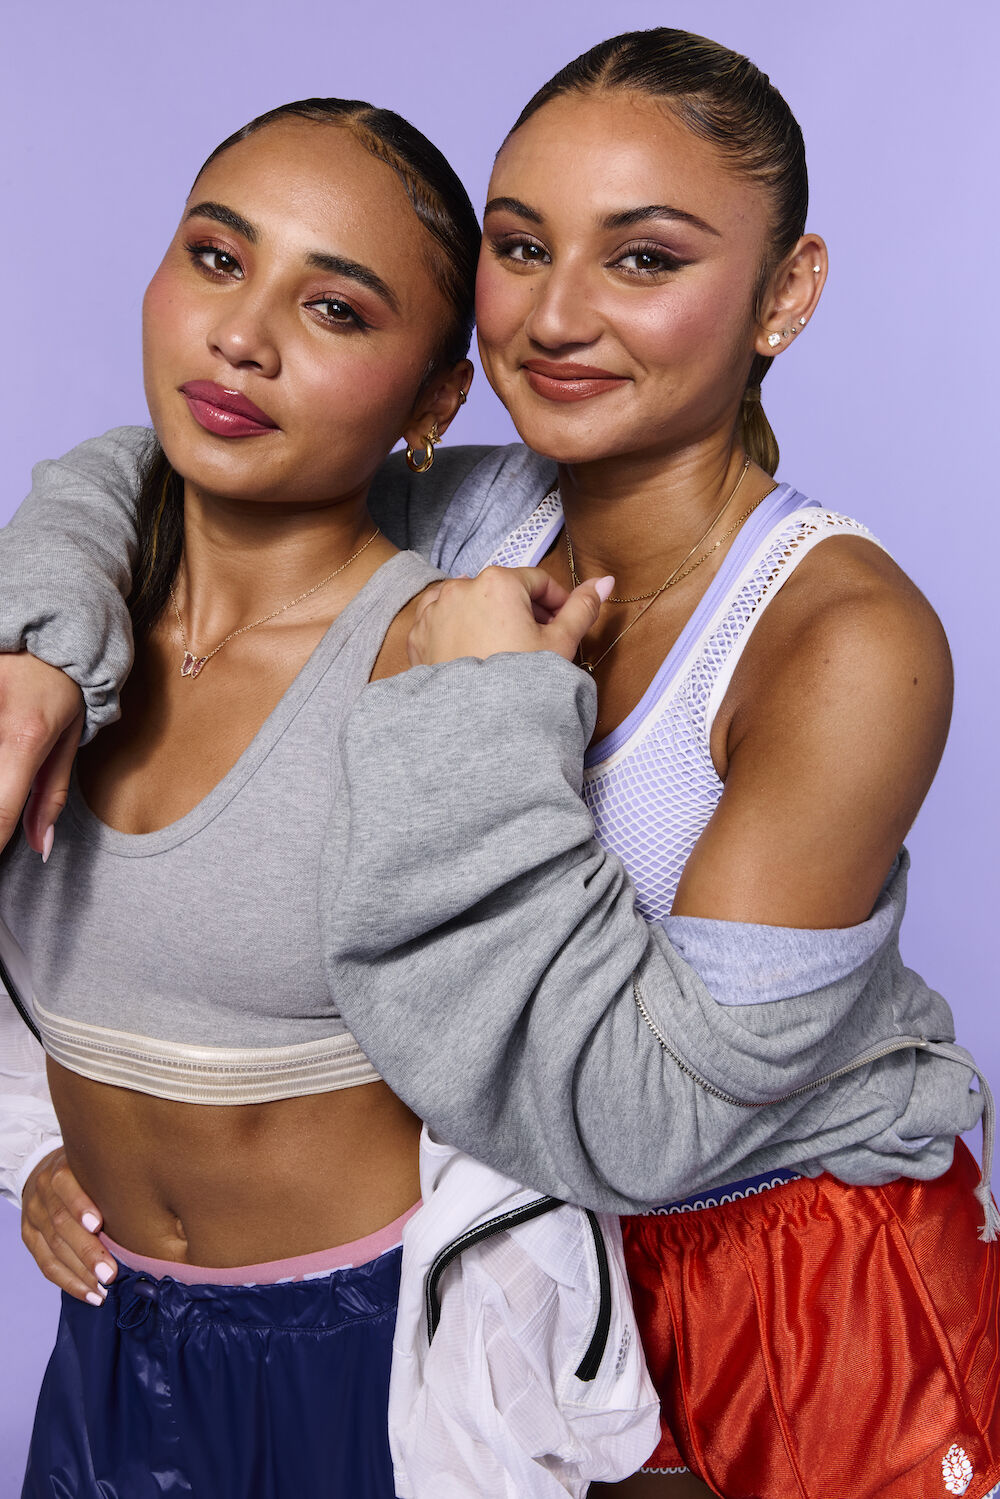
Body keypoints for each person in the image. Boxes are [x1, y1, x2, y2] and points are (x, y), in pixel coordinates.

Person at [1, 28, 998, 1499]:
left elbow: (652, 1129)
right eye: (523, 247)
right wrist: (40, 645)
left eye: (645, 260)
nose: (560, 315)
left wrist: (479, 711)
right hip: (512, 1252)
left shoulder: (845, 639)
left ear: (786, 292)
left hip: (782, 1257)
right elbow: (162, 462)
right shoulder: (469, 516)